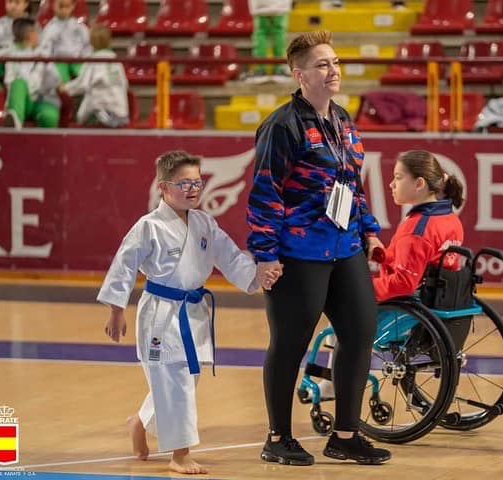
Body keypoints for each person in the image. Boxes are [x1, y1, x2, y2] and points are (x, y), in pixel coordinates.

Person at [246, 30, 391, 466]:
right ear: (300, 74)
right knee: (289, 343)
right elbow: (264, 193)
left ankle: (344, 436)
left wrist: (369, 230)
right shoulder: (282, 125)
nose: (333, 71)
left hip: (344, 248)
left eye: (335, 63)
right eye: (322, 65)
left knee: (361, 333)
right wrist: (265, 254)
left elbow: (353, 184)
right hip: (298, 253)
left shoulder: (343, 119)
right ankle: (278, 437)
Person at [98, 150, 268, 474]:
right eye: (183, 183)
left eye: (197, 183)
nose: (192, 189)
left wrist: (255, 276)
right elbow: (124, 265)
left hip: (193, 311)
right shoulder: (149, 226)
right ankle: (180, 454)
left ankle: (139, 421)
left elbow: (230, 256)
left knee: (186, 379)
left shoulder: (204, 222)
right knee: (174, 380)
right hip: (161, 314)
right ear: (163, 187)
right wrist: (116, 309)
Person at [373, 150, 465, 302]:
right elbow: (416, 258)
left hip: (412, 303)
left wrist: (364, 288)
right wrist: (381, 255)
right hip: (440, 298)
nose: (391, 184)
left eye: (398, 178)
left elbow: (403, 283)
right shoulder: (451, 219)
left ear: (419, 184)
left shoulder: (417, 229)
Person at [59, 25, 129, 127]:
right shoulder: (117, 62)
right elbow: (125, 85)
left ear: (91, 42)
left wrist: (64, 88)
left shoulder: (93, 61)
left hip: (100, 112)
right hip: (121, 112)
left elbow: (81, 85)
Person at [2, 17, 62, 129]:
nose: (39, 34)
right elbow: (10, 82)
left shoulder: (44, 55)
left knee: (49, 116)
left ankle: (48, 145)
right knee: (18, 84)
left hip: (43, 100)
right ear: (30, 34)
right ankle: (14, 125)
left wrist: (42, 65)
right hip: (23, 101)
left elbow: (56, 80)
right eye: (37, 31)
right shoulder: (11, 55)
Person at [39, 0, 92, 83]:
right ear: (54, 6)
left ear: (73, 6)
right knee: (59, 78)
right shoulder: (50, 28)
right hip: (59, 61)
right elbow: (45, 51)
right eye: (60, 6)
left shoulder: (80, 27)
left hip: (77, 60)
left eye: (67, 7)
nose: (63, 10)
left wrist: (86, 60)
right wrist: (50, 65)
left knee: (86, 75)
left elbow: (87, 46)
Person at [244, 0, 292, 84]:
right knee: (278, 33)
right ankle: (279, 70)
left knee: (261, 34)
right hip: (280, 5)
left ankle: (260, 70)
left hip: (260, 5)